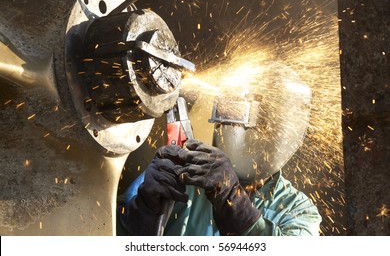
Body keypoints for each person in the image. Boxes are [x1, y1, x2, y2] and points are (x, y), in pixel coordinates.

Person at [117, 64, 322, 236]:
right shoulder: (180, 171)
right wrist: (141, 210)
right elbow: (103, 227)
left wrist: (233, 202)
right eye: (227, 112)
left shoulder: (299, 211)